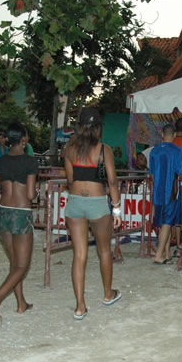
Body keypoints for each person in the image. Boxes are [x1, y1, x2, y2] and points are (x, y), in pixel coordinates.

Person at [63, 109, 122, 320]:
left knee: (79, 255)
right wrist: (116, 208)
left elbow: (69, 181)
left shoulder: (69, 147)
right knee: (104, 250)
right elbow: (112, 181)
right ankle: (107, 294)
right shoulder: (103, 150)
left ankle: (80, 307)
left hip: (75, 204)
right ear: (98, 127)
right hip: (97, 204)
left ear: (79, 126)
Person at [0, 123, 39, 326]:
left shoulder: (1, 162)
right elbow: (31, 194)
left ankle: (21, 303)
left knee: (14, 261)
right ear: (23, 141)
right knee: (22, 266)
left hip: (3, 214)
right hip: (21, 214)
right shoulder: (30, 162)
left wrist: (3, 203)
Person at [149, 124, 182, 265]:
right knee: (167, 222)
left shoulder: (154, 151)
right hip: (172, 190)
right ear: (175, 135)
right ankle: (159, 255)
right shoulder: (177, 151)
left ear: (162, 135)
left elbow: (151, 171)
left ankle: (166, 254)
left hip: (157, 190)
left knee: (163, 223)